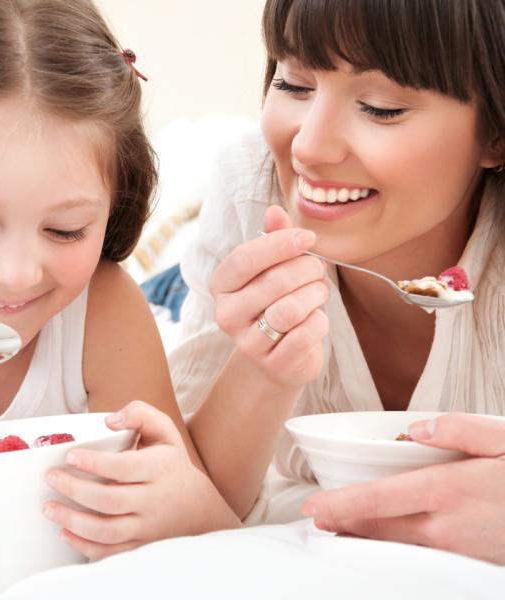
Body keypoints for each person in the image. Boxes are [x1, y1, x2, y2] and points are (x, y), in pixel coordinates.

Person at [169, 0, 505, 564]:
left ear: (494, 132)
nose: (308, 147)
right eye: (294, 84)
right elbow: (192, 491)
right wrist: (263, 369)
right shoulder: (251, 189)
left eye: (380, 108)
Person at [0, 0, 238, 561]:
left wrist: (190, 512)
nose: (16, 275)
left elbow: (187, 505)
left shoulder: (101, 310)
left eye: (64, 230)